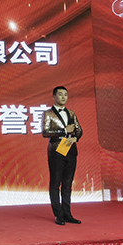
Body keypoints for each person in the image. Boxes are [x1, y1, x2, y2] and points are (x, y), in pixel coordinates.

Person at [42, 86, 83, 226]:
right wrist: (63, 130)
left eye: (65, 94)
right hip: (56, 151)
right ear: (54, 97)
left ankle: (67, 213)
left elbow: (79, 129)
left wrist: (75, 137)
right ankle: (58, 215)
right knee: (55, 183)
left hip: (70, 150)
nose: (63, 97)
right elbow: (45, 132)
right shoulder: (48, 114)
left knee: (67, 184)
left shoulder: (71, 113)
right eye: (60, 94)